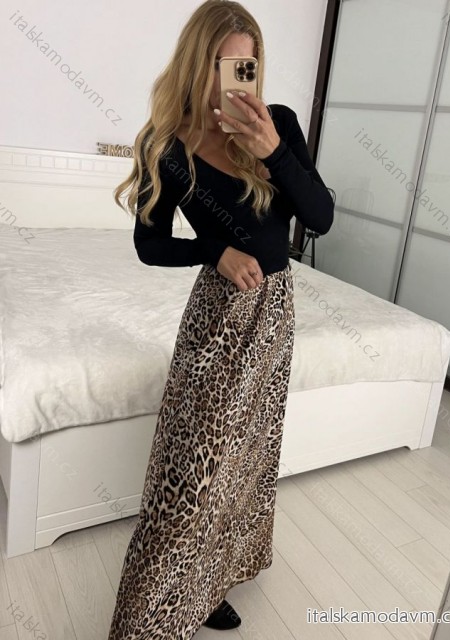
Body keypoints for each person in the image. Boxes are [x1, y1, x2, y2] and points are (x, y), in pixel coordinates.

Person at [108, 1, 334, 637]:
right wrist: (216, 250)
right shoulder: (167, 145)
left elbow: (319, 217)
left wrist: (274, 153)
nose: (236, 76)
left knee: (244, 462)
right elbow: (149, 245)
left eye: (246, 64)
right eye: (222, 63)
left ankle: (209, 587)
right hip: (218, 317)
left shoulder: (278, 124)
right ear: (196, 62)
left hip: (275, 314)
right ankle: (146, 619)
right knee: (195, 470)